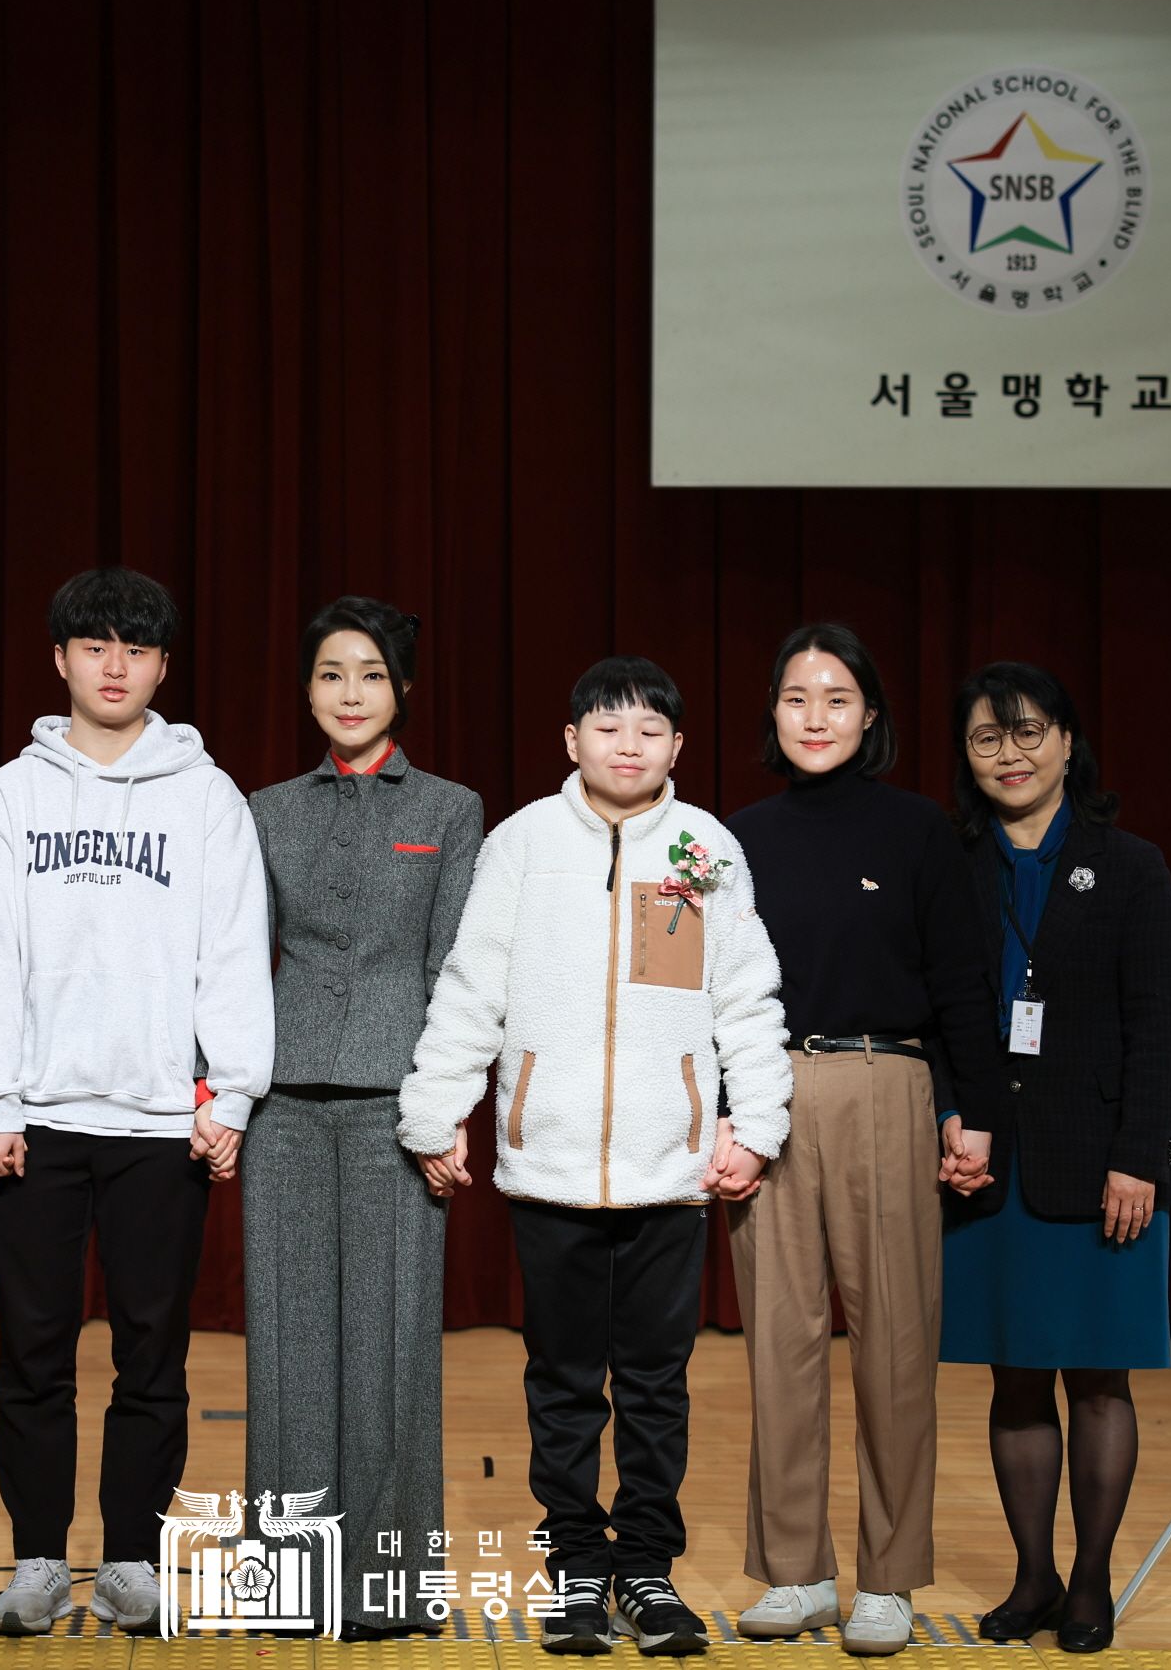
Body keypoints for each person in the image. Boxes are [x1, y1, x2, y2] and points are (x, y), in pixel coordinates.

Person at [398, 656, 792, 1659]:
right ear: (571, 740)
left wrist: (753, 1127)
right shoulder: (523, 843)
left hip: (671, 1168)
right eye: (607, 725)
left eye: (650, 728)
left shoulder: (704, 850)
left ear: (676, 748)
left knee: (657, 1384)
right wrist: (438, 1112)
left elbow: (745, 997)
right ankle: (577, 1571)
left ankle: (648, 1574)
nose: (628, 744)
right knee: (563, 1379)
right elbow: (471, 983)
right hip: (552, 1164)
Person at [0, 566, 275, 1637]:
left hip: (158, 1127)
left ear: (163, 667)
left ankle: (130, 1557)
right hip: (34, 1122)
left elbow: (233, 952)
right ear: (60, 660)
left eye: (136, 647)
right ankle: (39, 1560)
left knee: (153, 1355)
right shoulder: (10, 796)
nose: (115, 664)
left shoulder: (206, 797)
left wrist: (231, 1090)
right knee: (33, 1356)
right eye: (95, 645)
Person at [721, 621, 1006, 1657]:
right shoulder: (732, 836)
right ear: (773, 712)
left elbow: (962, 982)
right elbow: (706, 992)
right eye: (796, 697)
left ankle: (888, 1580)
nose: (814, 716)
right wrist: (719, 1108)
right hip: (769, 1093)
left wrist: (972, 1111)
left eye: (835, 698)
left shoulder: (920, 830)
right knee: (780, 1346)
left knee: (894, 1344)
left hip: (891, 1081)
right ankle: (794, 1572)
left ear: (870, 715)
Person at [243, 597, 484, 1640]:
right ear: (306, 690)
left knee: (391, 1350)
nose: (351, 693)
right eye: (332, 674)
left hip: (399, 1105)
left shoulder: (447, 809)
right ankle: (292, 1585)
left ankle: (385, 1584)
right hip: (285, 1105)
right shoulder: (262, 810)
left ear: (404, 691)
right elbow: (233, 969)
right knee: (288, 1348)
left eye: (372, 675)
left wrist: (445, 1114)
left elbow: (455, 971)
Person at [939, 661, 1171, 1655]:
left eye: (1028, 732)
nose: (1010, 754)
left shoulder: (1129, 866)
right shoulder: (949, 863)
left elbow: (1157, 1024)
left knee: (1097, 1382)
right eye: (987, 739)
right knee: (1012, 1379)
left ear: (1068, 742)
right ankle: (1032, 1575)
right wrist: (950, 1118)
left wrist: (1135, 1158)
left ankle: (1090, 1583)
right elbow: (938, 1009)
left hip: (1101, 1166)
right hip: (987, 1165)